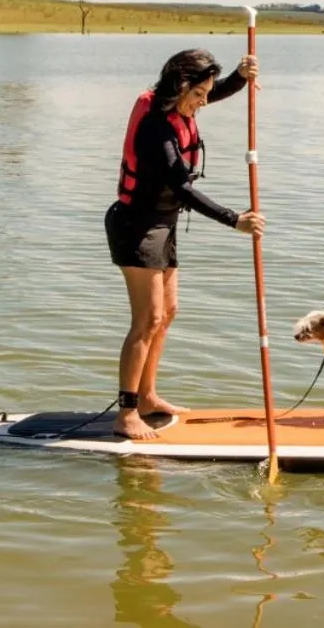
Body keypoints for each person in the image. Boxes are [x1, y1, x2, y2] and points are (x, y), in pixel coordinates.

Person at [104, 47, 265, 440]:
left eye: (207, 94)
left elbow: (213, 92)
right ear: (180, 86)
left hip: (163, 223)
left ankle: (148, 396)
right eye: (199, 94)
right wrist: (234, 220)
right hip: (137, 227)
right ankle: (126, 414)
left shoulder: (180, 104)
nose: (204, 102)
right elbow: (181, 186)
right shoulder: (157, 128)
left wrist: (240, 78)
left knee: (168, 312)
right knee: (147, 320)